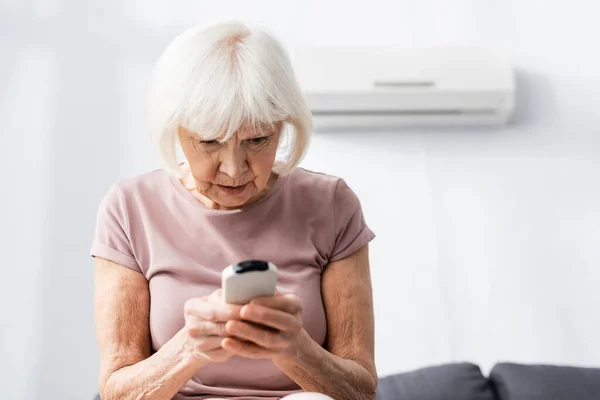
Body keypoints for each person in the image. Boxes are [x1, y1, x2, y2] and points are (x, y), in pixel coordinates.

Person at [91, 20, 377, 400]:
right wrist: (189, 348)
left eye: (257, 139)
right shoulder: (130, 208)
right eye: (209, 142)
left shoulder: (331, 204)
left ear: (284, 126)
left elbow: (361, 390)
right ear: (175, 129)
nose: (234, 169)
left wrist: (295, 350)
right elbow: (116, 390)